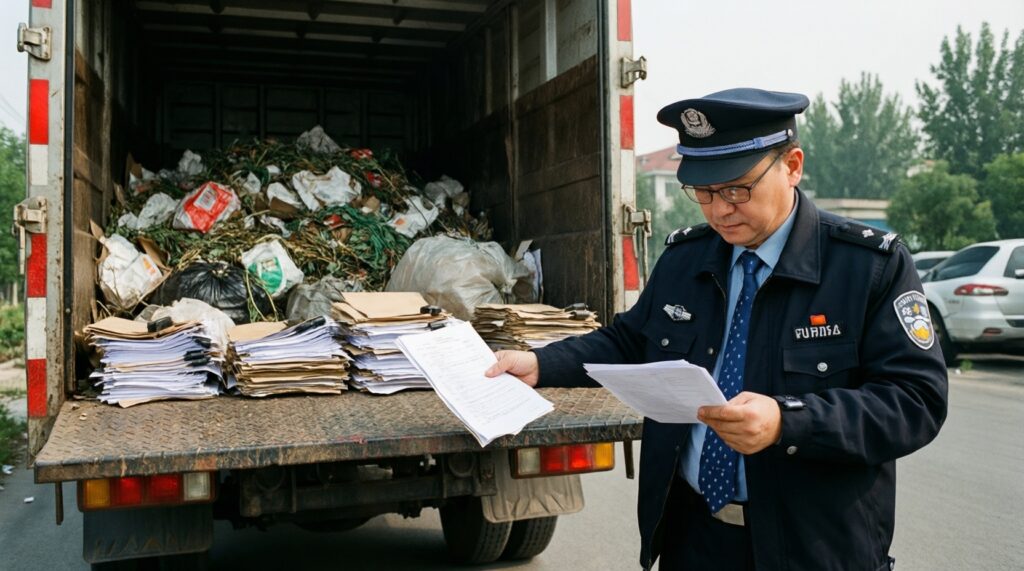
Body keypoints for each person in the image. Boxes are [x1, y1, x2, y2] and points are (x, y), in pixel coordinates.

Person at [486, 88, 948, 571]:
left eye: (736, 190)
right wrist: (540, 363)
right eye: (703, 193)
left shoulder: (867, 267)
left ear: (792, 166)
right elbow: (630, 339)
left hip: (814, 545)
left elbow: (915, 400)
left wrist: (787, 421)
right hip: (694, 536)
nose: (719, 210)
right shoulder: (686, 259)